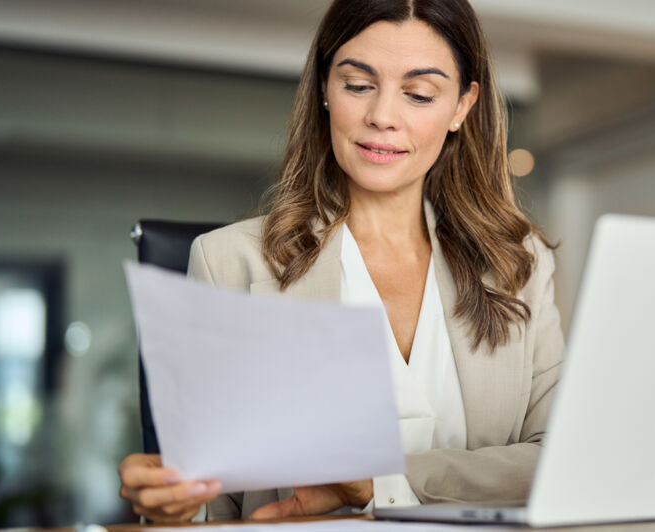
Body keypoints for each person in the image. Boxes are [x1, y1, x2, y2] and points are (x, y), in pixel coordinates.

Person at [117, 0, 564, 522]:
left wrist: (382, 483)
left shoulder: (519, 264)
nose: (382, 116)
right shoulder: (228, 263)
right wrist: (171, 509)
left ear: (462, 106)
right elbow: (211, 508)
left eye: (419, 94)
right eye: (357, 85)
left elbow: (556, 460)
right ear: (325, 89)